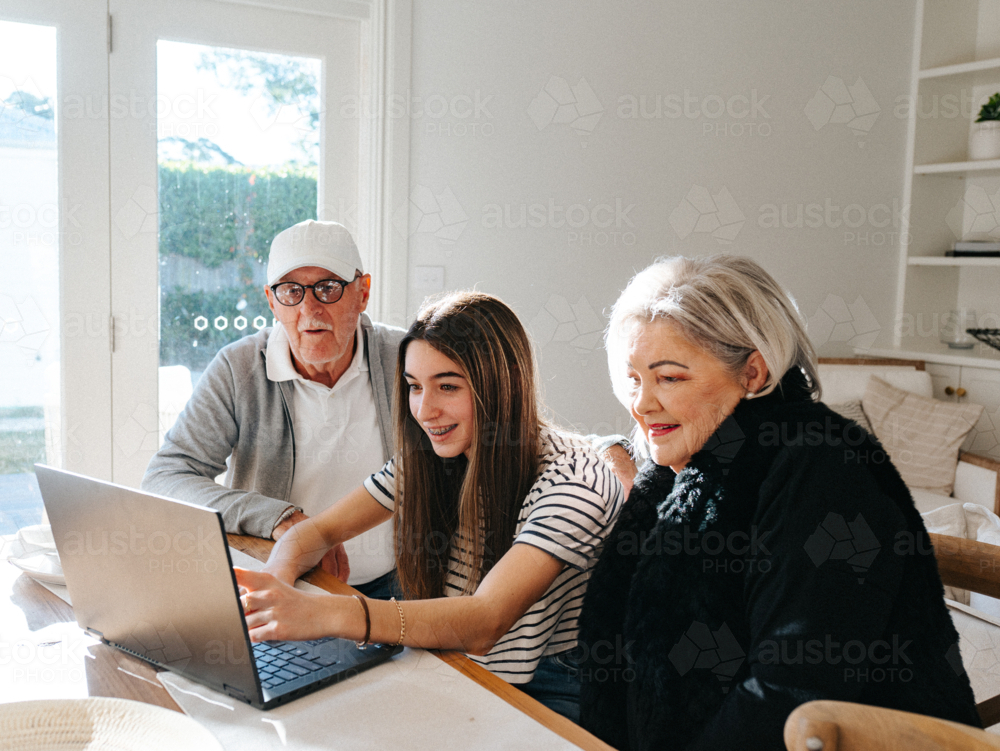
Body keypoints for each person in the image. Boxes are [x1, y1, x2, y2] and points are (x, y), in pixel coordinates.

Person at [577, 255, 982, 750]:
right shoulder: (672, 474)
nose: (641, 403)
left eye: (669, 378)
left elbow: (790, 691)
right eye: (634, 379)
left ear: (752, 371)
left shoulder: (825, 467)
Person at [234, 291, 624, 722]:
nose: (424, 409)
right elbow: (318, 532)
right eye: (414, 387)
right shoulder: (436, 454)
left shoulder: (573, 482)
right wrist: (273, 588)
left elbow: (484, 621)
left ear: (502, 383)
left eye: (448, 386)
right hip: (452, 660)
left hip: (543, 686)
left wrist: (326, 613)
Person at [142, 220, 405, 598]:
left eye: (328, 288)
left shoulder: (405, 358)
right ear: (271, 300)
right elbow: (165, 478)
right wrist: (283, 520)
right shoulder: (238, 368)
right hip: (279, 581)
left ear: (362, 293)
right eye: (291, 292)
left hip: (394, 587)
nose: (309, 309)